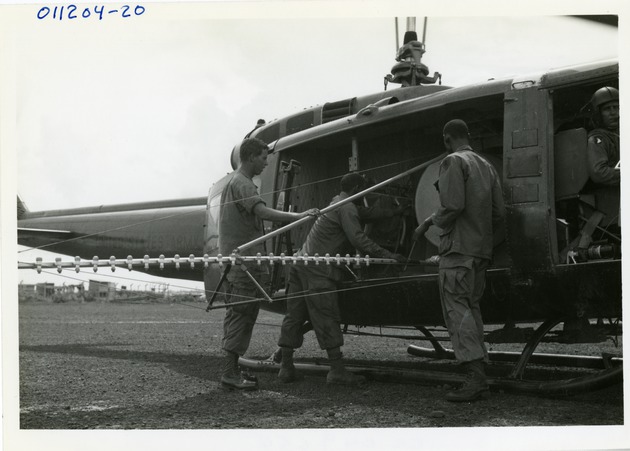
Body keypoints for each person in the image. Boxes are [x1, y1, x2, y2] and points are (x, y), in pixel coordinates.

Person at [277, 172, 406, 386]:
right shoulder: (346, 207)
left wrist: (394, 211)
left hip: (299, 263)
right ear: (357, 190)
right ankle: (336, 370)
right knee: (326, 314)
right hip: (317, 268)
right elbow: (358, 239)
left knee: (294, 316)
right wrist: (389, 256)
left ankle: (286, 367)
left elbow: (365, 213)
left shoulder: (338, 201)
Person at [413, 119, 505, 402]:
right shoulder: (486, 165)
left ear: (446, 139)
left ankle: (475, 379)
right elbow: (499, 212)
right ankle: (480, 374)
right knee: (471, 309)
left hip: (458, 251)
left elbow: (452, 205)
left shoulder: (453, 161)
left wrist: (427, 222)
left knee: (457, 312)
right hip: (480, 252)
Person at [218, 137, 319, 390]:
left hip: (241, 262)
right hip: (244, 264)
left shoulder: (236, 182)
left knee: (240, 314)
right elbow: (262, 213)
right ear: (251, 157)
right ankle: (229, 373)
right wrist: (299, 216)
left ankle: (233, 370)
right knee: (242, 315)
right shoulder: (243, 184)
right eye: (263, 158)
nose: (266, 163)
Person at [584, 86, 620, 229]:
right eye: (607, 109)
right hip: (611, 209)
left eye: (616, 107)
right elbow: (598, 172)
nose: (614, 113)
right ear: (599, 114)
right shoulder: (598, 138)